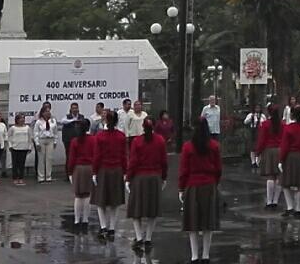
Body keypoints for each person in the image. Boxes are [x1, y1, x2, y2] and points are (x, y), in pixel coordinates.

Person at [179, 117, 222, 263]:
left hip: (192, 186)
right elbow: (218, 168)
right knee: (208, 223)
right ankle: (206, 255)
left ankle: (194, 255)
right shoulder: (214, 146)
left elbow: (184, 170)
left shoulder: (187, 147)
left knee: (193, 223)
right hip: (209, 185)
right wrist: (215, 183)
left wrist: (181, 188)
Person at [127, 117, 169, 253]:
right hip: (155, 178)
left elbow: (133, 161)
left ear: (142, 127)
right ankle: (148, 239)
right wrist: (164, 177)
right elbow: (164, 161)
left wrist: (128, 178)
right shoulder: (160, 140)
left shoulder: (137, 141)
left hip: (139, 178)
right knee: (152, 211)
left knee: (136, 210)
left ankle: (139, 237)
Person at [92, 109, 127, 239]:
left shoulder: (100, 136)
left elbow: (97, 156)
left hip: (103, 170)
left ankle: (103, 227)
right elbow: (124, 156)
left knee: (100, 200)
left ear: (106, 120)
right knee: (115, 201)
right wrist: (125, 171)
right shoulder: (121, 136)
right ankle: (112, 228)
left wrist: (94, 171)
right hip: (117, 169)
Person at [279, 104, 300, 218]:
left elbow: (284, 146)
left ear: (292, 115)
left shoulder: (288, 128)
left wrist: (281, 160)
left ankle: (290, 207)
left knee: (285, 183)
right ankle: (298, 209)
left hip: (290, 156)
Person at [66, 122, 95, 232]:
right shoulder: (93, 139)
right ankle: (85, 220)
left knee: (78, 196)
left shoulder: (74, 141)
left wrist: (69, 172)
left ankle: (77, 220)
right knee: (87, 195)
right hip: (89, 168)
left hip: (78, 168)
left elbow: (71, 158)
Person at [255, 104, 285, 208]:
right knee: (278, 177)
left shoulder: (265, 124)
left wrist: (258, 153)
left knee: (270, 176)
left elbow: (261, 140)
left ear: (268, 112)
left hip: (269, 151)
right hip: (280, 150)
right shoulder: (282, 124)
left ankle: (269, 201)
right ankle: (275, 201)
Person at [8, 113, 34, 186]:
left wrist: (30, 147)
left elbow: (30, 138)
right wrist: (10, 146)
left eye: (23, 118)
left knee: (22, 164)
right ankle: (15, 178)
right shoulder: (13, 128)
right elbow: (9, 137)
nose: (22, 120)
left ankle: (21, 178)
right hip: (15, 148)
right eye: (20, 118)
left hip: (24, 148)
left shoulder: (27, 128)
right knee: (15, 164)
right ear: (17, 120)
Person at [33, 106, 57, 183]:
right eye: (46, 111)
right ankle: (41, 177)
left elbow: (55, 132)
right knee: (41, 159)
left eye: (49, 111)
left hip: (50, 140)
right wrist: (37, 143)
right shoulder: (38, 122)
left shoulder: (53, 121)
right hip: (41, 140)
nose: (48, 113)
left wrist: (55, 141)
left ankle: (48, 176)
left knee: (49, 159)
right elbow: (36, 133)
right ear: (42, 113)